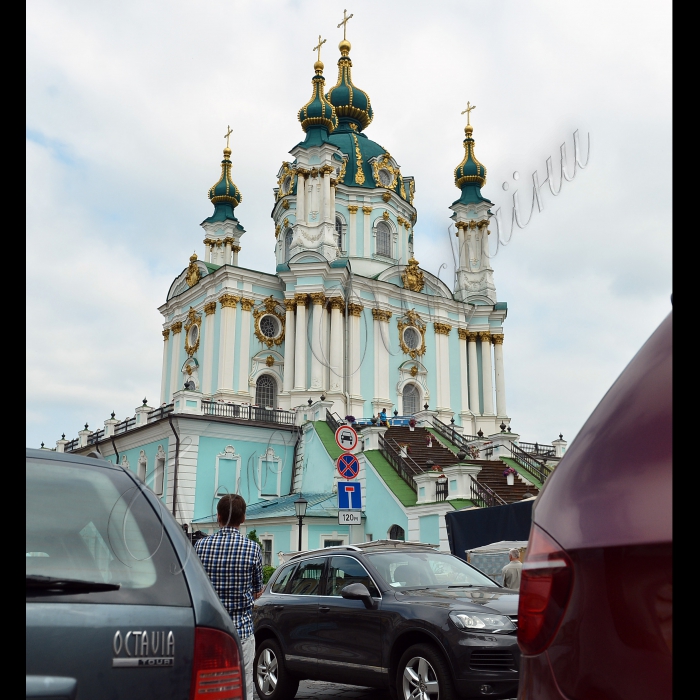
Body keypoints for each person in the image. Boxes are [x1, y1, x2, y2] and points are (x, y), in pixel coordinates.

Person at [194, 494, 263, 700]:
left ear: (218, 517)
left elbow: (196, 586)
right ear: (243, 519)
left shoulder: (201, 547)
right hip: (240, 631)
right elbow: (257, 589)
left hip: (210, 629)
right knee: (243, 687)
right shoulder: (253, 549)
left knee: (208, 688)